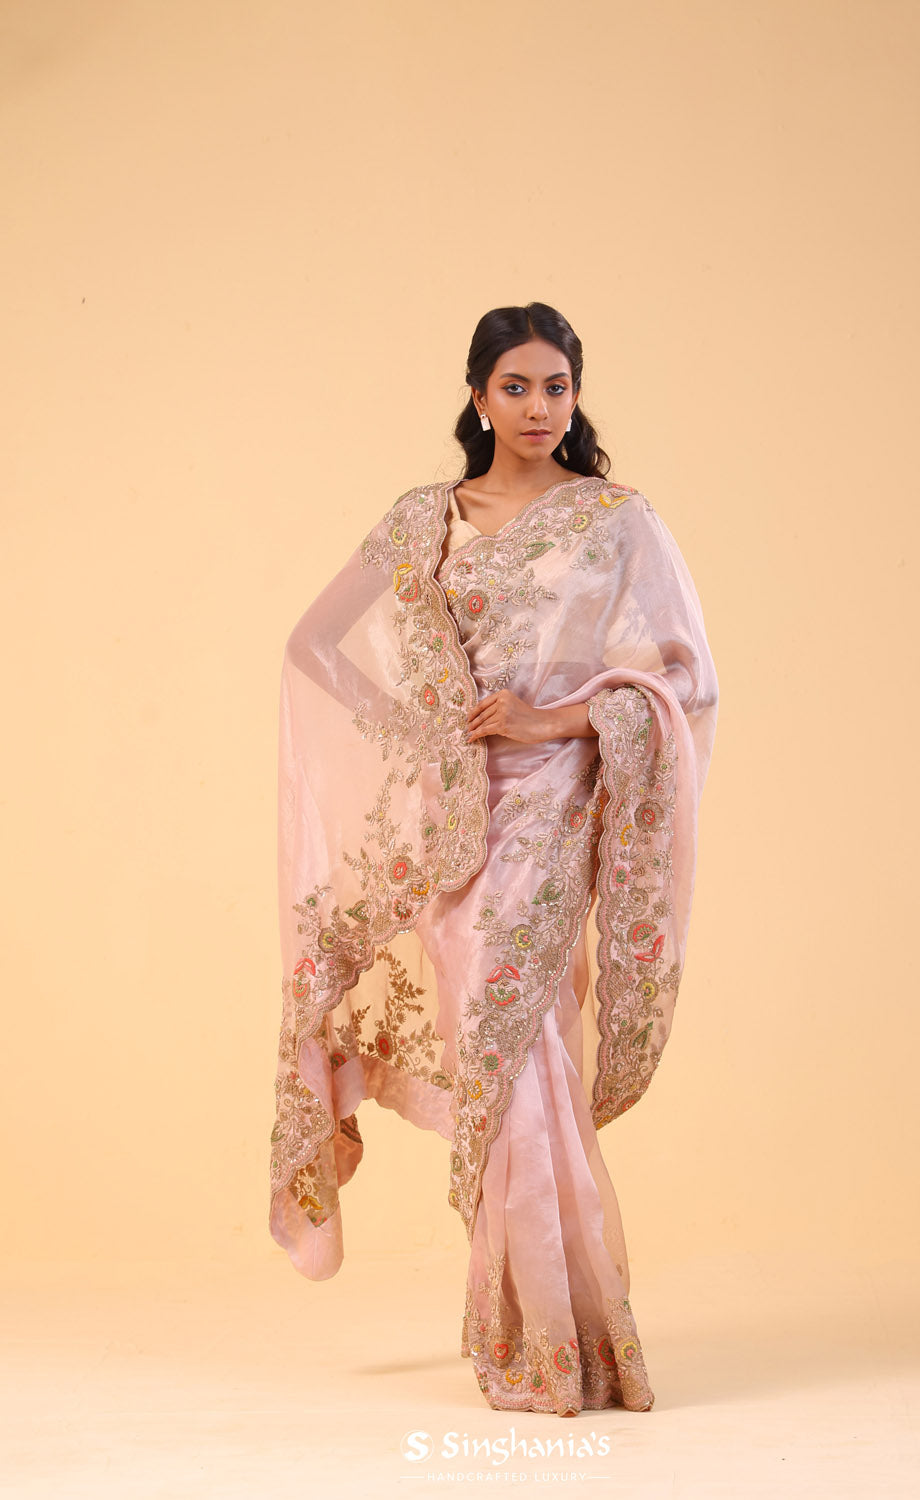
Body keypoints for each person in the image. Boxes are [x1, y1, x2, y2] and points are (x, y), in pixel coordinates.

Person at [267, 301, 719, 1417]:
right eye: (515, 386)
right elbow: (312, 643)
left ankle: (556, 1337)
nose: (537, 406)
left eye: (556, 386)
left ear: (576, 396)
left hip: (553, 806)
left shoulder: (614, 520)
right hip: (452, 823)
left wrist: (555, 720)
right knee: (500, 1051)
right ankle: (543, 1325)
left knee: (525, 1050)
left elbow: (686, 678)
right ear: (477, 397)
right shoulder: (427, 518)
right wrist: (421, 733)